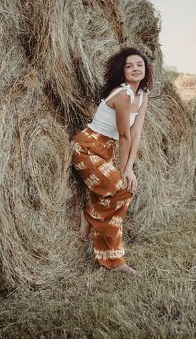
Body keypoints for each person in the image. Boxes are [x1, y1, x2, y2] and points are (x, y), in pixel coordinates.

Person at [71, 47, 152, 274]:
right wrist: (125, 170)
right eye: (129, 66)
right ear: (122, 71)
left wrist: (129, 168)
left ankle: (115, 261)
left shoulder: (142, 95)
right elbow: (124, 135)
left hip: (105, 150)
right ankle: (90, 215)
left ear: (146, 68)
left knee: (122, 197)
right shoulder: (123, 94)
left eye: (140, 65)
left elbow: (136, 134)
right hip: (87, 148)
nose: (136, 69)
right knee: (122, 189)